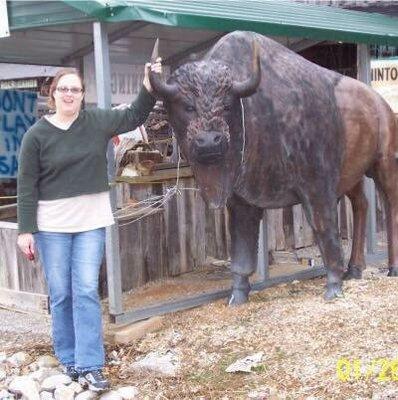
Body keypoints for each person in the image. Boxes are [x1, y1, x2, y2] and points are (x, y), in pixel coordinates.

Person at [16, 59, 162, 392]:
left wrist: (149, 84)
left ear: (83, 95)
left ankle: (90, 365)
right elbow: (27, 185)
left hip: (90, 223)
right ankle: (67, 357)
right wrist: (26, 230)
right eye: (63, 89)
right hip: (51, 225)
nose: (69, 94)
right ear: (53, 94)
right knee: (61, 293)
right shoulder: (36, 136)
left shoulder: (96, 121)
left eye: (76, 89)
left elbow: (134, 115)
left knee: (84, 290)